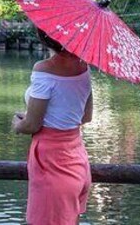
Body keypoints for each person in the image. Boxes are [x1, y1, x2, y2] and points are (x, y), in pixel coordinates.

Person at [12, 29, 93, 225]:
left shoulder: (43, 69)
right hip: (77, 161)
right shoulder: (83, 67)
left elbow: (32, 124)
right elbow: (86, 116)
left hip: (52, 164)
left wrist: (18, 124)